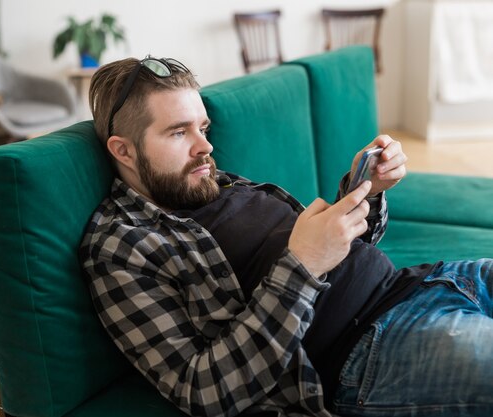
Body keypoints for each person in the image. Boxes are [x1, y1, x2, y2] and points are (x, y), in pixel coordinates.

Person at [79, 56, 493, 417]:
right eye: (178, 132)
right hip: (374, 348)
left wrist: (365, 190)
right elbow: (202, 392)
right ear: (124, 151)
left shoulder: (215, 182)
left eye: (203, 127)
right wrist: (305, 264)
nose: (204, 146)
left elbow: (338, 248)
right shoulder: (121, 246)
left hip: (429, 283)